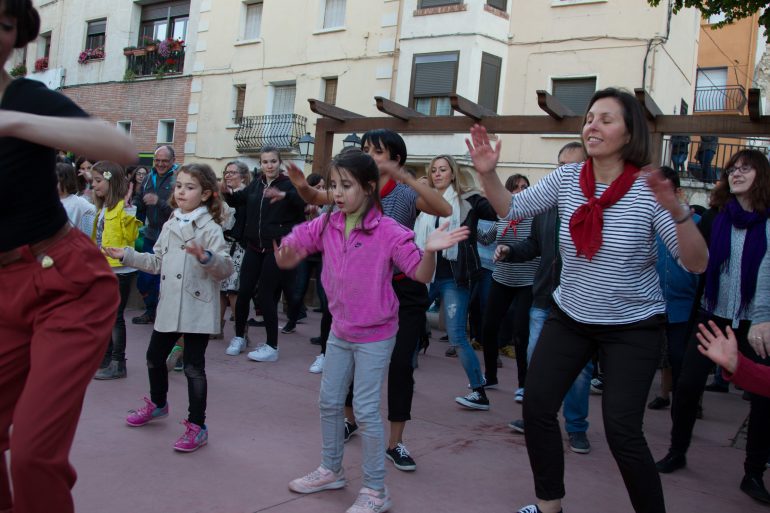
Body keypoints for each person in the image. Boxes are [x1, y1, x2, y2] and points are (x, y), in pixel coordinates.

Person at [467, 87, 708, 513]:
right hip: (571, 314)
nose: (592, 124)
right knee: (538, 407)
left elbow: (696, 263)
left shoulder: (649, 188)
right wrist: (488, 174)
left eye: (606, 118)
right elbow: (511, 209)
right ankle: (549, 505)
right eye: (590, 117)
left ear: (629, 132)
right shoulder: (567, 178)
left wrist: (680, 213)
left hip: (633, 325)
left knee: (621, 431)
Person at [0, 1, 137, 511]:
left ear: (17, 38)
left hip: (65, 284)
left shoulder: (26, 96)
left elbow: (120, 147)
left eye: (6, 24)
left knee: (34, 455)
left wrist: (13, 122)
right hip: (3, 290)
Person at [279, 149, 469, 513]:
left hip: (376, 335)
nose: (336, 193)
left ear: (369, 188)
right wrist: (286, 252)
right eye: (333, 185)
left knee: (365, 410)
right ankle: (331, 469)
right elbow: (298, 240)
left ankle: (376, 490)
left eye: (345, 185)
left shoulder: (389, 230)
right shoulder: (329, 222)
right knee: (330, 401)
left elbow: (420, 274)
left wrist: (430, 251)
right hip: (340, 330)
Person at [656, 149, 770, 505]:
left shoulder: (768, 222)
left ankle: (752, 472)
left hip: (757, 323)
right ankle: (678, 450)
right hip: (712, 316)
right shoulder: (715, 216)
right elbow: (696, 259)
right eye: (732, 169)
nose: (736, 173)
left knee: (765, 398)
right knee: (687, 384)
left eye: (745, 169)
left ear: (761, 176)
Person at [104, 163, 233, 453]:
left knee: (193, 368)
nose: (182, 191)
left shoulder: (210, 229)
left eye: (190, 187)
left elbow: (224, 269)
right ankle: (159, 403)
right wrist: (126, 254)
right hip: (169, 306)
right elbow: (156, 261)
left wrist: (206, 257)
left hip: (197, 309)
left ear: (206, 194)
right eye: (179, 186)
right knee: (153, 358)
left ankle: (198, 426)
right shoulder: (171, 223)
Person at [504, 142, 595, 455]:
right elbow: (533, 245)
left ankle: (577, 428)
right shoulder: (545, 207)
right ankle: (536, 419)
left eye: (573, 166)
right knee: (537, 363)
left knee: (581, 373)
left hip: (580, 307)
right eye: (561, 165)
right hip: (543, 298)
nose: (565, 172)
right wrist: (511, 251)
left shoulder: (597, 208)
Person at [412, 154, 497, 410]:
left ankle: (479, 392)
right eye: (434, 170)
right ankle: (404, 378)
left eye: (443, 170)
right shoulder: (424, 201)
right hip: (426, 275)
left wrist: (487, 182)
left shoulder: (468, 200)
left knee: (457, 335)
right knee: (408, 323)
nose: (437, 174)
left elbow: (497, 212)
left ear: (453, 174)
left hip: (455, 278)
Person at [223, 146, 306, 361]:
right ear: (260, 164)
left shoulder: (289, 184)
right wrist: (225, 192)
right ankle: (240, 336)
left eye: (273, 161)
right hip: (254, 246)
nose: (269, 165)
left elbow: (302, 203)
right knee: (243, 292)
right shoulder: (256, 184)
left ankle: (272, 346)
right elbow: (240, 200)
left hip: (276, 248)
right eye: (265, 162)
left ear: (279, 163)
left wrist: (284, 195)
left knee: (266, 296)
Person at [475, 173, 538, 405]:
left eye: (524, 186)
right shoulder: (502, 214)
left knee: (521, 334)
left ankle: (523, 384)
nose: (520, 190)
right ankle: (490, 376)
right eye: (515, 187)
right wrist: (467, 226)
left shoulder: (536, 216)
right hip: (501, 278)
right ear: (508, 191)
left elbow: (535, 246)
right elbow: (486, 237)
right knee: (488, 327)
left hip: (527, 281)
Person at [647, 166, 700, 410]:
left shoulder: (696, 223)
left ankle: (688, 401)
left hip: (684, 304)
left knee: (681, 356)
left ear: (677, 192)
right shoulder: (649, 219)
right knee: (661, 356)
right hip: (654, 302)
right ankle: (665, 394)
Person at [90, 161, 142, 380]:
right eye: (93, 181)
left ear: (111, 182)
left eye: (98, 181)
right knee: (106, 316)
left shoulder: (123, 207)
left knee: (115, 317)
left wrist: (129, 211)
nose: (94, 185)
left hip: (120, 270)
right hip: (105, 268)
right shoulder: (104, 207)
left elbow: (132, 237)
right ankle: (106, 357)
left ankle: (118, 362)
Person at [132, 145, 178, 325]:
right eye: (157, 160)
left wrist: (158, 202)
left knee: (164, 279)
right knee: (144, 279)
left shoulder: (178, 178)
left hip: (171, 237)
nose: (160, 164)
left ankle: (161, 314)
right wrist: (132, 208)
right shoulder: (148, 178)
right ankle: (150, 310)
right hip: (151, 235)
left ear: (173, 161)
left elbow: (179, 209)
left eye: (164, 161)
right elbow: (140, 202)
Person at [217, 160, 250, 343]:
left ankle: (241, 331)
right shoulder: (224, 195)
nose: (228, 175)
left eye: (233, 172)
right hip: (224, 245)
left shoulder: (245, 195)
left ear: (243, 176)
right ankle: (217, 328)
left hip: (240, 247)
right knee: (221, 289)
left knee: (233, 291)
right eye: (226, 172)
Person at [56, 162, 96, 237]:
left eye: (56, 180)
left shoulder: (77, 202)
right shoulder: (50, 201)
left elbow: (96, 211)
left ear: (66, 181)